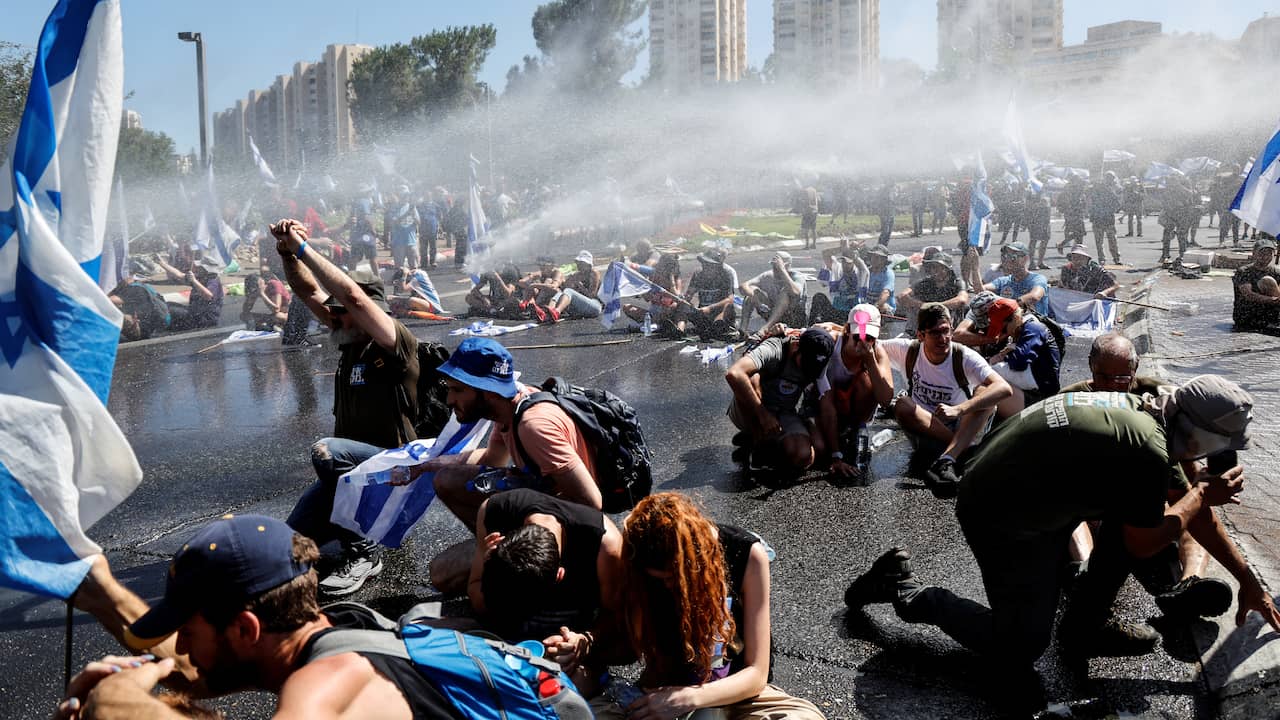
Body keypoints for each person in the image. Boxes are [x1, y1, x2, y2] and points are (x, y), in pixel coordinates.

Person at [845, 377, 1280, 714]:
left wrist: (1248, 580)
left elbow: (1191, 513)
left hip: (1034, 494)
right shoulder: (1147, 449)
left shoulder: (1149, 412)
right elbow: (1146, 542)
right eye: (1221, 446)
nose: (1218, 457)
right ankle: (901, 586)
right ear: (1199, 435)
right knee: (1019, 646)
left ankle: (1084, 623)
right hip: (999, 514)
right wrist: (1202, 493)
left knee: (1133, 520)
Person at [60, 515, 468, 719]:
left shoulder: (334, 687)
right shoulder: (335, 630)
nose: (180, 646)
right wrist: (105, 596)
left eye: (186, 631)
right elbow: (199, 673)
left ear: (244, 628)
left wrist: (117, 707)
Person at [274, 218, 420, 596]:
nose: (331, 315)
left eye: (341, 311)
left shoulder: (394, 343)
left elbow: (352, 296)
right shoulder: (349, 337)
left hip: (394, 472)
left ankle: (365, 551)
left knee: (327, 452)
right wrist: (288, 253)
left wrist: (306, 248)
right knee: (286, 551)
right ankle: (351, 524)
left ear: (366, 312)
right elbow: (309, 292)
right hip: (356, 474)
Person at [589, 493, 827, 720]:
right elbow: (627, 649)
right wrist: (586, 644)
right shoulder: (639, 566)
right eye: (660, 579)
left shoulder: (746, 554)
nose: (669, 586)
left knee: (803, 716)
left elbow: (757, 673)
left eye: (675, 577)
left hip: (737, 693)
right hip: (664, 689)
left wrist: (689, 698)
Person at [418, 338, 607, 532]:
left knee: (446, 564)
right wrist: (434, 463)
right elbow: (493, 458)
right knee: (446, 479)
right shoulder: (508, 408)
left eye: (458, 390)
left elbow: (591, 503)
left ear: (489, 391)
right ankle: (495, 548)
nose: (449, 400)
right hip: (547, 500)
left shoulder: (533, 426)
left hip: (577, 526)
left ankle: (515, 554)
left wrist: (518, 503)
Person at [430, 489, 625, 644]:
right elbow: (477, 593)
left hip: (574, 606)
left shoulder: (605, 547)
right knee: (441, 576)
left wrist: (586, 639)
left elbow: (618, 618)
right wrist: (488, 565)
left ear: (559, 574)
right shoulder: (495, 511)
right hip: (510, 555)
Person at [880, 303, 1011, 492]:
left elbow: (1004, 388)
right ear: (920, 335)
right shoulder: (908, 350)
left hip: (962, 425)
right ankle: (961, 452)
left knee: (985, 391)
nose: (943, 339)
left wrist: (959, 409)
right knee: (902, 405)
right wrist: (839, 330)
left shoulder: (963, 356)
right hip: (926, 430)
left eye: (946, 331)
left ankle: (948, 458)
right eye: (935, 333)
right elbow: (869, 343)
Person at [725, 327, 835, 473]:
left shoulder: (819, 355)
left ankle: (770, 444)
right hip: (752, 408)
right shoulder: (774, 348)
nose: (808, 370)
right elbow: (734, 373)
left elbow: (827, 405)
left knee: (803, 456)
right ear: (796, 346)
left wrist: (836, 455)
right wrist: (763, 414)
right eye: (806, 364)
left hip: (784, 412)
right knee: (752, 378)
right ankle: (755, 438)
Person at [817, 305, 895, 479]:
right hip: (827, 407)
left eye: (869, 337)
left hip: (856, 412)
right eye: (858, 336)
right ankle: (834, 435)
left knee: (865, 379)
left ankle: (856, 428)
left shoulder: (877, 351)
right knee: (819, 452)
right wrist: (836, 455)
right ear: (847, 331)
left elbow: (886, 400)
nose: (863, 342)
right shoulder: (831, 342)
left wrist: (870, 362)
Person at [974, 297, 1061, 414]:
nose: (1003, 334)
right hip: (1027, 390)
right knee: (983, 381)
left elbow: (1019, 363)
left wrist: (1002, 357)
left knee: (985, 382)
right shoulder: (1020, 327)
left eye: (1003, 329)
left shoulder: (1034, 328)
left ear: (1014, 319)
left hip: (1040, 400)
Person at [896, 247, 969, 330]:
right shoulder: (926, 283)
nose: (937, 271)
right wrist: (921, 305)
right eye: (934, 267)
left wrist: (937, 307)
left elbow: (962, 300)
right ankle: (913, 331)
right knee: (913, 309)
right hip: (929, 320)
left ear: (948, 269)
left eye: (941, 268)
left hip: (950, 321)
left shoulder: (956, 283)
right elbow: (902, 296)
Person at [739, 251, 807, 335]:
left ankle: (765, 329)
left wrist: (782, 270)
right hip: (773, 315)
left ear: (787, 266)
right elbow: (743, 286)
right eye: (773, 266)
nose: (774, 269)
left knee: (785, 291)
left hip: (793, 318)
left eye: (777, 266)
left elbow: (795, 292)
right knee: (752, 290)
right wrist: (754, 297)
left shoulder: (797, 276)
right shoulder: (768, 276)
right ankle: (742, 330)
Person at [155, 255, 224, 331]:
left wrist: (194, 281)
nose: (197, 268)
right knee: (166, 305)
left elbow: (208, 296)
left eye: (199, 267)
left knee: (170, 310)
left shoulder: (213, 281)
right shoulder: (200, 277)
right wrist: (162, 264)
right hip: (194, 313)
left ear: (205, 269)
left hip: (205, 319)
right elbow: (179, 275)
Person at [684, 249, 740, 341]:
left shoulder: (726, 274)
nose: (705, 266)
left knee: (728, 306)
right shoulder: (698, 273)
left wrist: (710, 308)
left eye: (708, 264)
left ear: (716, 266)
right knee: (683, 306)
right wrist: (687, 298)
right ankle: (680, 328)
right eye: (704, 263)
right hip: (702, 310)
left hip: (718, 309)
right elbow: (690, 292)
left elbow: (730, 299)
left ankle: (717, 325)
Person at [983, 242, 1049, 316]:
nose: (1008, 260)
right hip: (1009, 322)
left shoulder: (1037, 279)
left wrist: (1007, 306)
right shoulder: (1004, 280)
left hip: (1034, 324)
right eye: (1005, 256)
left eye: (1013, 257)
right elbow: (981, 291)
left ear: (1025, 259)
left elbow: (1035, 296)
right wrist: (975, 269)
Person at [1232, 236, 1280, 334]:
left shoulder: (1276, 272)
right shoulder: (1244, 271)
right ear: (1254, 254)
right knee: (1267, 281)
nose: (1265, 257)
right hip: (1247, 315)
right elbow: (1249, 295)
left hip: (1269, 314)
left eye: (1269, 254)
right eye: (1262, 253)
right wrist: (1273, 300)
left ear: (1273, 255)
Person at [551, 250, 603, 320]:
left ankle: (557, 311)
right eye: (578, 263)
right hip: (581, 308)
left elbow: (591, 295)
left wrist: (578, 284)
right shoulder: (577, 275)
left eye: (581, 263)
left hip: (595, 306)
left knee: (569, 291)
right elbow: (565, 290)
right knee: (560, 293)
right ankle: (549, 310)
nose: (578, 265)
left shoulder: (593, 273)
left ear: (588, 264)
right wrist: (566, 282)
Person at [1089, 172, 1124, 265]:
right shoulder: (1102, 188)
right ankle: (1107, 258)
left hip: (1104, 218)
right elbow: (1117, 204)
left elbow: (1117, 204)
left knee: (1108, 240)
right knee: (1103, 240)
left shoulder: (1111, 189)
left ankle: (1112, 258)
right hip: (1101, 218)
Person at [384, 188, 420, 270]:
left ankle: (414, 282)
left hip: (411, 241)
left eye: (407, 195)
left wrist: (414, 215)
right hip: (398, 242)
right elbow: (393, 223)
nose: (405, 197)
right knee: (399, 268)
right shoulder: (394, 208)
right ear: (399, 196)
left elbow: (418, 223)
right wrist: (406, 214)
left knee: (414, 267)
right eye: (403, 195)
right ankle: (400, 282)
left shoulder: (412, 207)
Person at [1025, 189, 1052, 271]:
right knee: (1033, 241)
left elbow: (1047, 204)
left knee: (1044, 241)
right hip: (1035, 222)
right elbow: (1028, 208)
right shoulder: (1031, 193)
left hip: (1045, 221)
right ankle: (1032, 262)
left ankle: (1040, 262)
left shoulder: (1042, 191)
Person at [876, 180, 897, 245]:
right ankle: (879, 245)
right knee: (885, 231)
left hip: (891, 212)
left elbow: (893, 201)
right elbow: (880, 202)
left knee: (889, 231)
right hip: (884, 213)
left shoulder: (893, 191)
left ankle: (884, 246)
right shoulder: (883, 191)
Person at [800, 185, 820, 249]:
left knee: (806, 229)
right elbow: (818, 200)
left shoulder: (806, 190)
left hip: (808, 211)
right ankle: (814, 244)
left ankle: (807, 245)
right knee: (813, 229)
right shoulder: (814, 190)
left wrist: (804, 209)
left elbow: (806, 201)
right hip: (815, 211)